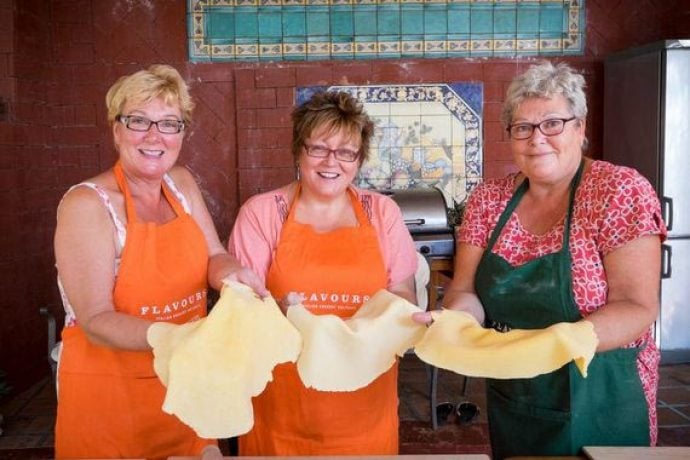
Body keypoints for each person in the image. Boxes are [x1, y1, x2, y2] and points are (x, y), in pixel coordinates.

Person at [414, 61, 666, 459]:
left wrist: (559, 341)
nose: (537, 139)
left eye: (552, 123)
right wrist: (454, 321)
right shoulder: (488, 200)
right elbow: (465, 290)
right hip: (518, 390)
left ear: (579, 128)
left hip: (603, 392)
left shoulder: (618, 191)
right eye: (522, 127)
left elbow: (637, 306)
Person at [53, 64, 266, 460]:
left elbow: (214, 256)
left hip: (187, 388)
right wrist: (178, 337)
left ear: (182, 133)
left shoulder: (180, 184)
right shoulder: (87, 206)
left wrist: (232, 277)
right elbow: (96, 319)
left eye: (170, 123)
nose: (155, 137)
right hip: (112, 403)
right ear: (116, 130)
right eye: (139, 121)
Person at [228, 90, 418, 455]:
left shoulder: (382, 213)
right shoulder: (263, 213)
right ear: (299, 150)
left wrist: (403, 320)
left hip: (365, 403)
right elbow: (240, 309)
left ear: (359, 160)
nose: (332, 161)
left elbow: (403, 295)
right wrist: (278, 311)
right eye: (319, 148)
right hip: (283, 405)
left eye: (346, 152)